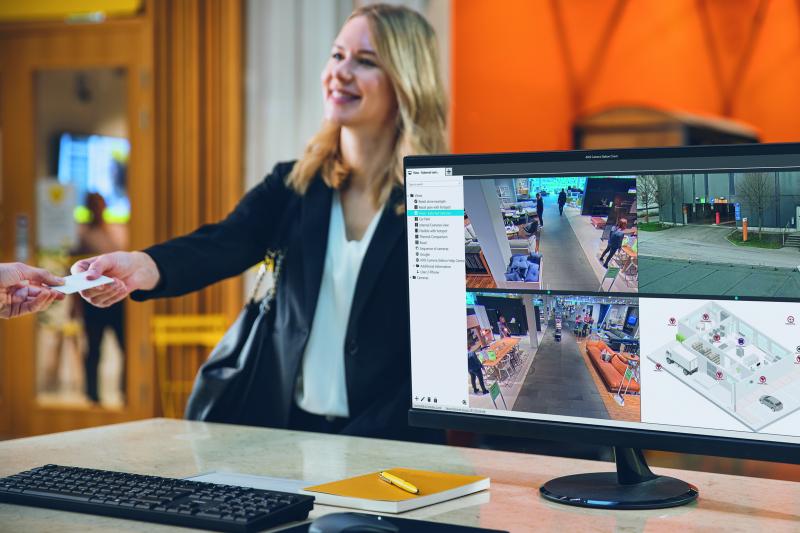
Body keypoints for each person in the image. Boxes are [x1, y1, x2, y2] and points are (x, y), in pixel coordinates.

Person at [70, 4, 446, 442]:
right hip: (289, 438)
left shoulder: (435, 201)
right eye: (337, 55)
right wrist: (141, 265)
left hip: (392, 447)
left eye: (365, 61)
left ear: (406, 82)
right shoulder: (293, 185)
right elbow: (223, 242)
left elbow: (440, 353)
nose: (340, 72)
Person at [75, 193, 126, 404]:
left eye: (100, 204)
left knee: (126, 346)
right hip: (91, 300)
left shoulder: (118, 232)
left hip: (117, 299)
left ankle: (126, 391)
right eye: (92, 205)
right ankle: (92, 395)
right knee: (94, 348)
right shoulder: (83, 235)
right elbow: (75, 271)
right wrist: (74, 303)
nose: (97, 208)